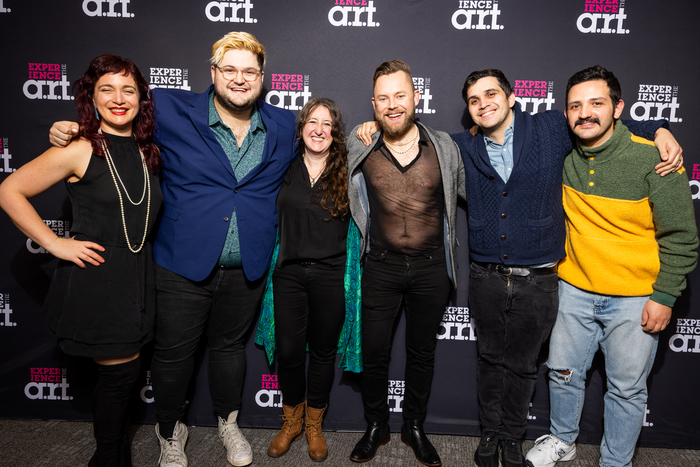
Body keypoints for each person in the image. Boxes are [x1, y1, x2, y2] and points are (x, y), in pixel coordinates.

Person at [357, 68, 681, 467]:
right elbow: (406, 134)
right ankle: (490, 434)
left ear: (512, 98)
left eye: (491, 94)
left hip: (541, 280)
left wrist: (659, 127)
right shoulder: (461, 147)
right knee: (489, 360)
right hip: (485, 277)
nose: (483, 104)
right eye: (474, 100)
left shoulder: (549, 127)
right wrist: (370, 125)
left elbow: (596, 120)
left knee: (525, 366)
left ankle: (512, 437)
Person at [49, 32, 296, 467]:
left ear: (262, 78)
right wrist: (70, 128)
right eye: (230, 70)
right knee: (172, 355)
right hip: (181, 263)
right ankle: (169, 431)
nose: (240, 79)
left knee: (229, 351)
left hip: (249, 265)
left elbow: (323, 152)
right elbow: (115, 114)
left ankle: (228, 422)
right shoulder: (168, 108)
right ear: (214, 73)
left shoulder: (281, 124)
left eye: (250, 72)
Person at [525, 65, 698, 467]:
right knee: (563, 374)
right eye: (575, 106)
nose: (585, 113)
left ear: (619, 107)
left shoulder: (656, 159)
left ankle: (616, 461)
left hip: (636, 297)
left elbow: (681, 236)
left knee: (626, 390)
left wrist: (666, 295)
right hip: (573, 289)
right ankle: (563, 440)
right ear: (565, 113)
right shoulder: (562, 152)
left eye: (597, 103)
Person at [0, 54, 162, 467]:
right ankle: (108, 458)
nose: (118, 98)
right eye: (106, 89)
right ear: (91, 97)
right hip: (98, 283)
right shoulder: (80, 149)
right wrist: (55, 243)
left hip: (136, 282)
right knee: (119, 377)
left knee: (124, 377)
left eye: (128, 89)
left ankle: (114, 451)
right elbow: (10, 190)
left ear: (142, 98)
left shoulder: (148, 152)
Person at [347, 60, 466, 467]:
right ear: (374, 104)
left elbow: (487, 183)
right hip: (380, 266)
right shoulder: (359, 145)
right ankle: (376, 424)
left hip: (432, 268)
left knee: (421, 353)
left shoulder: (444, 147)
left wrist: (653, 131)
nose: (392, 105)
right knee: (375, 352)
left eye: (400, 95)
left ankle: (414, 425)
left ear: (417, 98)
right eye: (383, 98)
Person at [254, 97, 362, 462]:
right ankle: (291, 421)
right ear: (301, 129)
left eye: (327, 123)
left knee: (322, 353)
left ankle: (314, 425)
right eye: (312, 122)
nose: (319, 129)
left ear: (336, 133)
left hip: (331, 275)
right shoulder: (282, 166)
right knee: (287, 353)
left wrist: (374, 127)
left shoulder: (348, 169)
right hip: (288, 275)